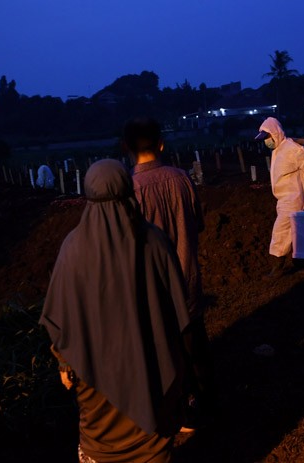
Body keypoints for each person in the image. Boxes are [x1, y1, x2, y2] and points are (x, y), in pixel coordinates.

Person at [40, 159, 192, 463]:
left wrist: (64, 362)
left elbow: (60, 316)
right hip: (150, 370)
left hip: (94, 376)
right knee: (153, 436)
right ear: (128, 191)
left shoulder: (73, 249)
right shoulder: (155, 241)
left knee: (100, 442)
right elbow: (177, 311)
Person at [124, 117, 219, 431]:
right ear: (161, 144)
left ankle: (184, 411)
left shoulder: (130, 192)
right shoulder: (182, 178)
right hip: (188, 280)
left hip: (156, 289)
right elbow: (198, 225)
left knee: (166, 352)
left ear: (127, 149)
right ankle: (209, 404)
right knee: (196, 344)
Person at [256, 116, 304, 278]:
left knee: (281, 231)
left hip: (293, 199)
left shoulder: (292, 149)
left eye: (267, 137)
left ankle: (277, 267)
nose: (266, 141)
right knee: (299, 232)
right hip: (283, 199)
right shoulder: (278, 150)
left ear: (275, 133)